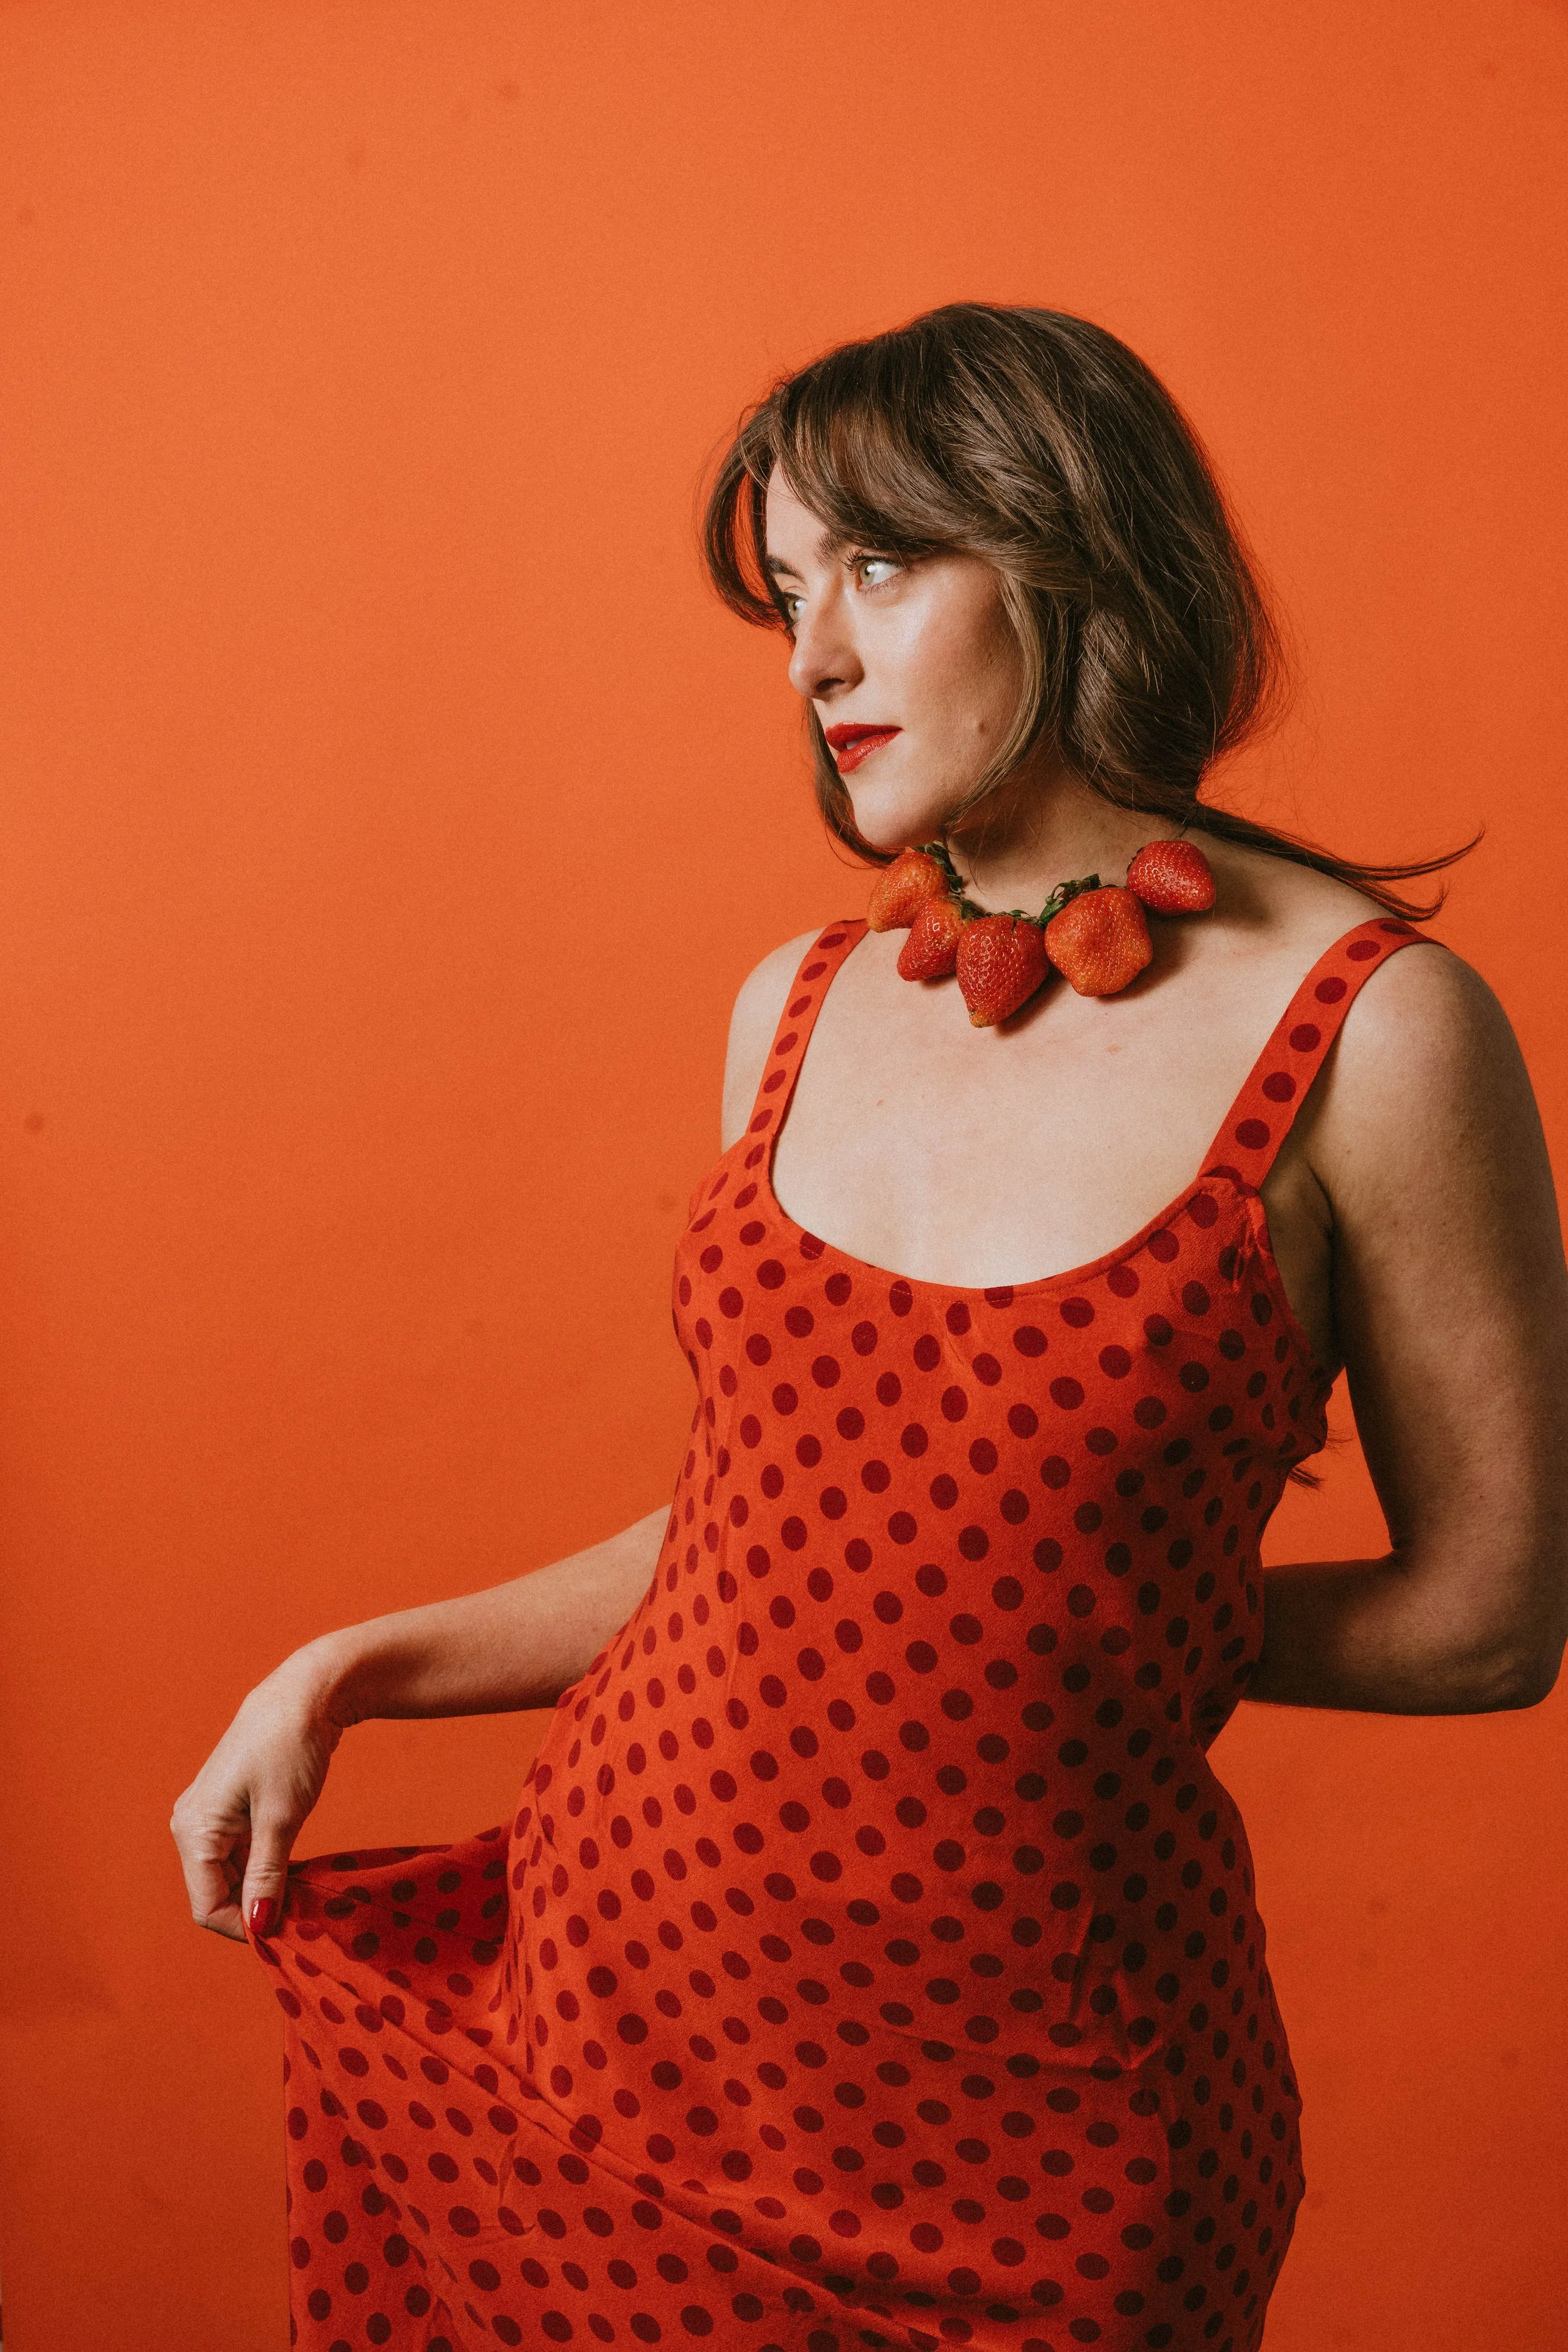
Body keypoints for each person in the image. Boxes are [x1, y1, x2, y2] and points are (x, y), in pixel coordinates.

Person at [172, 304, 1568, 2352]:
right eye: (789, 589)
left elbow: (1495, 1613)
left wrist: (1070, 1608)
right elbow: (766, 1534)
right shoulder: (796, 1003)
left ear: (1071, 551)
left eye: (882, 564)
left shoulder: (1374, 1033)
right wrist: (344, 1667)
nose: (815, 655)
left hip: (1043, 2137)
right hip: (610, 2035)